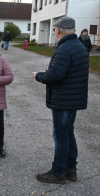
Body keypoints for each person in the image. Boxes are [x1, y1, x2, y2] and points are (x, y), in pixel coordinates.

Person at [32, 17, 89, 184]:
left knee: (61, 136)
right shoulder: (79, 46)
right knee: (68, 133)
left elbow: (55, 75)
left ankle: (58, 172)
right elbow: (66, 71)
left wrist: (39, 75)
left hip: (64, 99)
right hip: (72, 98)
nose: (54, 31)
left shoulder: (65, 48)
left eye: (55, 28)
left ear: (59, 30)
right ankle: (71, 169)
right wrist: (50, 71)